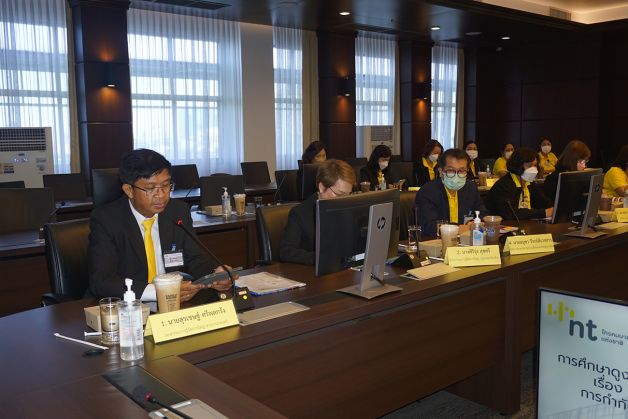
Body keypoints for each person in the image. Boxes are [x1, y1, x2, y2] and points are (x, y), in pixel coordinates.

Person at [88, 149, 232, 301]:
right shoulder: (106, 220)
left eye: (166, 185)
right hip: (128, 305)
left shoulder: (177, 211)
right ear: (129, 190)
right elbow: (101, 281)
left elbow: (195, 258)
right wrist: (158, 292)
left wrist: (215, 274)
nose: (161, 195)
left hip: (172, 304)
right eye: (151, 189)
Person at [280, 159, 356, 265]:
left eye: (348, 194)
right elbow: (286, 252)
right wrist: (323, 258)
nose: (345, 200)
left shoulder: (347, 210)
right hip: (312, 271)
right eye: (340, 194)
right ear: (322, 187)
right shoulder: (300, 213)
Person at [415, 148, 487, 237]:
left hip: (466, 240)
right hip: (437, 241)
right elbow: (428, 226)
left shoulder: (470, 188)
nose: (456, 175)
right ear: (441, 172)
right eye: (451, 170)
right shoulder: (428, 192)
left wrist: (473, 223)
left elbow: (483, 214)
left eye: (461, 171)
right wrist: (459, 228)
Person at [486, 147, 553, 220]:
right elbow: (511, 213)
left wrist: (553, 208)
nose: (534, 169)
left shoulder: (529, 183)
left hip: (526, 223)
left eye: (535, 165)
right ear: (518, 166)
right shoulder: (504, 185)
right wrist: (544, 213)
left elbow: (544, 202)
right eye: (529, 165)